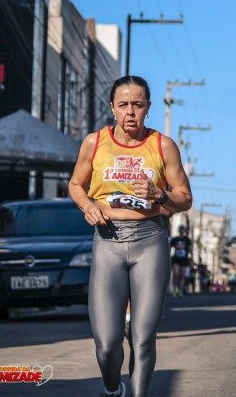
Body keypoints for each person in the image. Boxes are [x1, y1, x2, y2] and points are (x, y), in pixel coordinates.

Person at [68, 75, 192, 397]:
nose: (130, 112)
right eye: (123, 105)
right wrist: (87, 206)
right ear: (112, 108)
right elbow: (75, 185)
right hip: (107, 241)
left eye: (137, 104)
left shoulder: (163, 145)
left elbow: (185, 198)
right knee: (107, 345)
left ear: (148, 107)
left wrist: (160, 195)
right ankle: (112, 389)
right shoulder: (94, 143)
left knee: (143, 337)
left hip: (149, 240)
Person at [170, 224, 192, 297]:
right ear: (179, 230)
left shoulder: (187, 239)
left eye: (183, 229)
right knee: (176, 274)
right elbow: (170, 247)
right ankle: (174, 290)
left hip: (184, 259)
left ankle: (180, 291)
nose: (182, 231)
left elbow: (190, 249)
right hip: (176, 259)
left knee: (182, 276)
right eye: (181, 229)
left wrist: (190, 253)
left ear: (185, 231)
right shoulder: (175, 239)